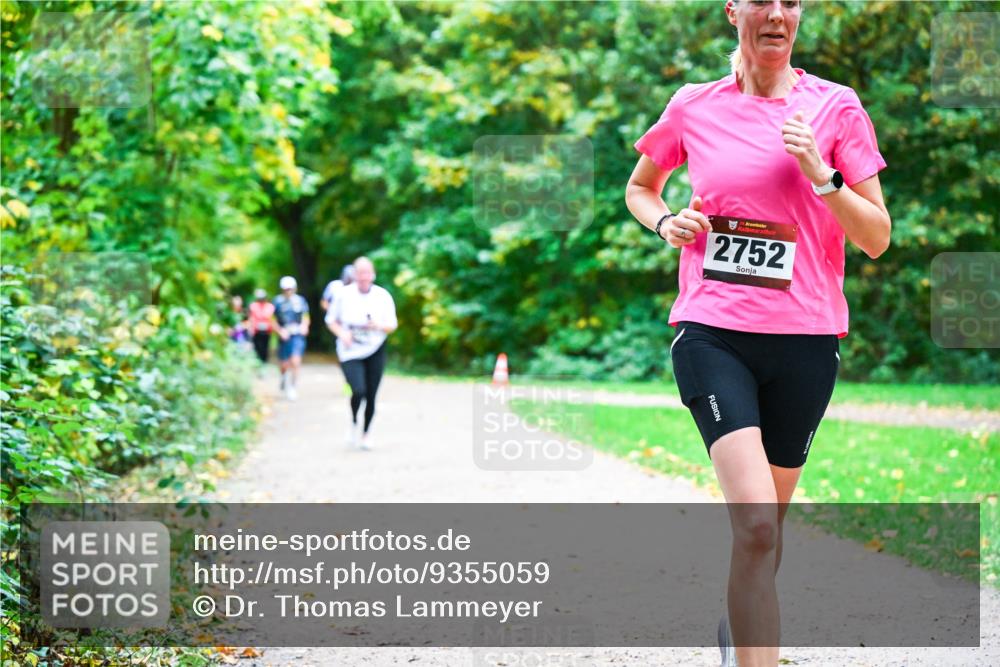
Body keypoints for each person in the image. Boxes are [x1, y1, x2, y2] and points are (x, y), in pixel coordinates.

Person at [625, 1, 890, 666]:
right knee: (755, 523)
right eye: (762, 1)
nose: (777, 13)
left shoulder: (836, 107)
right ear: (732, 11)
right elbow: (641, 187)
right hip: (714, 333)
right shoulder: (693, 105)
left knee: (767, 536)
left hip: (806, 339)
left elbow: (877, 238)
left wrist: (823, 177)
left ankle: (739, 633)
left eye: (791, 2)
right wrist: (664, 224)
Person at [325, 256, 397, 450]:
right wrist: (342, 334)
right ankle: (354, 422)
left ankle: (366, 434)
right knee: (358, 390)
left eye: (367, 272)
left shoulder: (382, 296)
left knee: (372, 394)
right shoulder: (342, 294)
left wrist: (378, 326)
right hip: (350, 350)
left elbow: (392, 325)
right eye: (360, 273)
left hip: (375, 348)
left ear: (373, 274)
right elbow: (330, 319)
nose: (364, 277)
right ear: (354, 275)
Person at [271, 276, 310, 400]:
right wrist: (280, 330)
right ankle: (283, 378)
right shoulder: (277, 302)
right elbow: (272, 320)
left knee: (296, 361)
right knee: (284, 364)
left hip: (297, 335)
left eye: (290, 289)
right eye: (286, 289)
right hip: (284, 335)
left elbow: (306, 316)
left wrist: (304, 326)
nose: (288, 291)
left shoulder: (300, 301)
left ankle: (292, 387)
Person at [247, 288, 275, 364]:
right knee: (257, 348)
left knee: (265, 348)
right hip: (256, 331)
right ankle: (258, 363)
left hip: (266, 331)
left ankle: (264, 362)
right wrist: (251, 328)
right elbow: (251, 318)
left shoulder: (270, 306)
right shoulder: (253, 306)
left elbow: (272, 319)